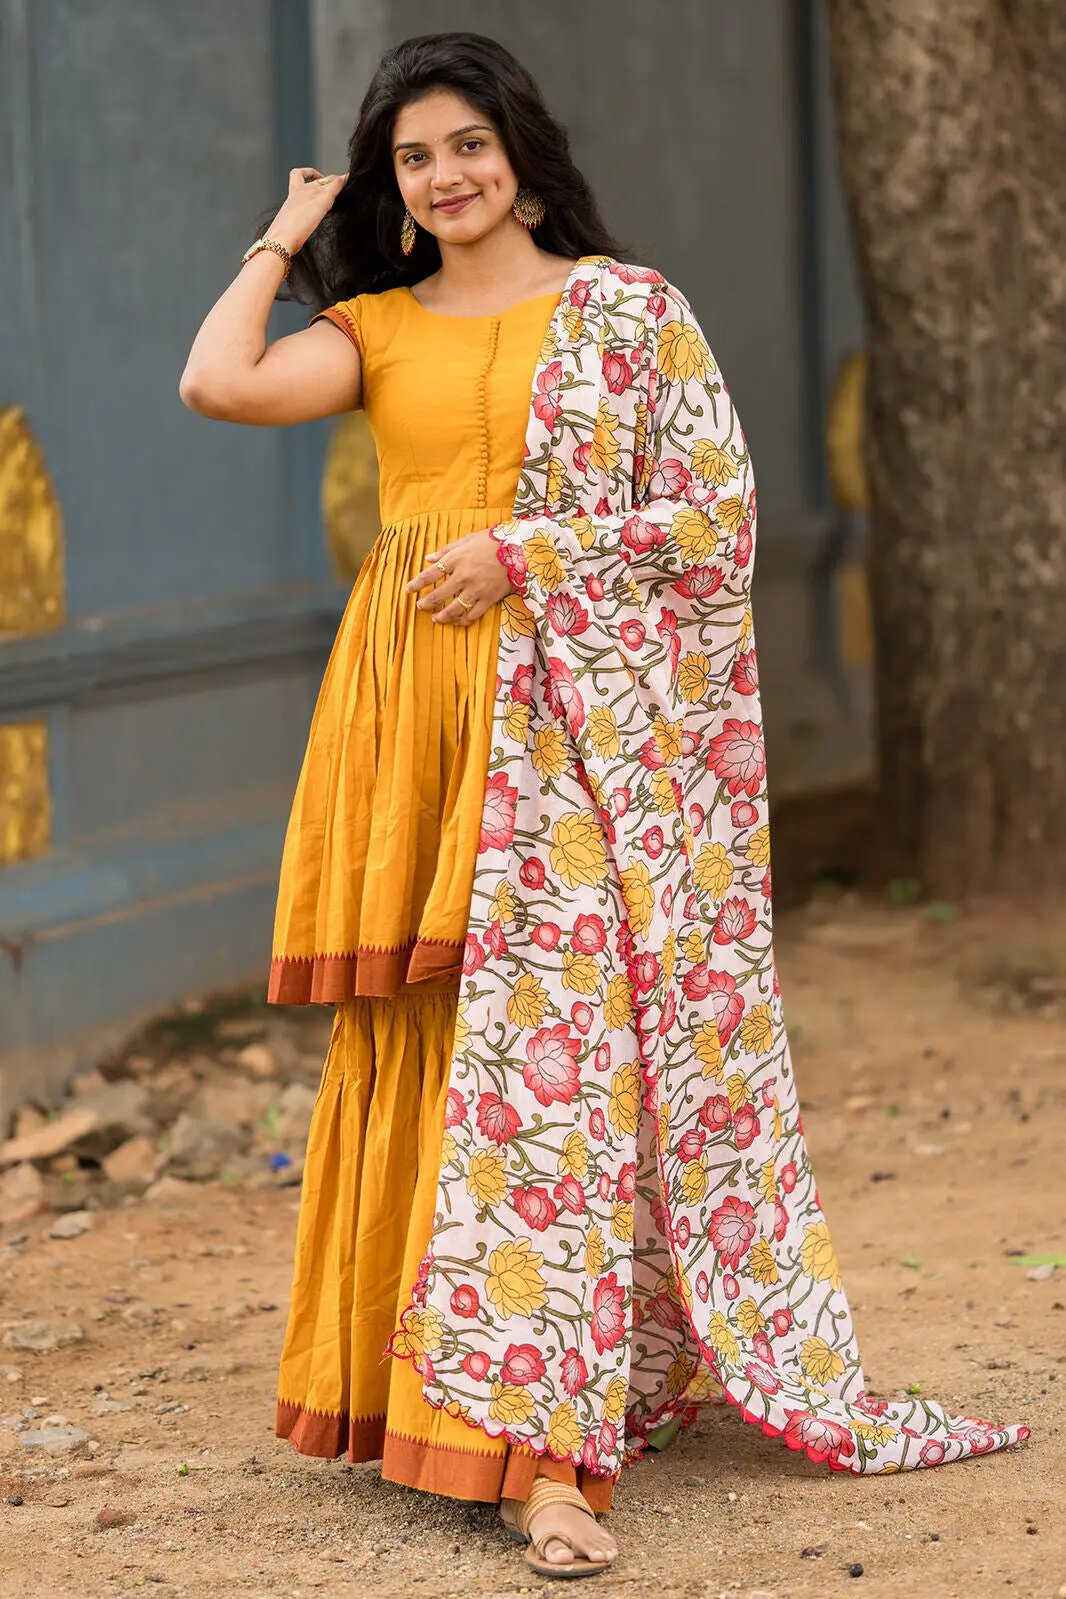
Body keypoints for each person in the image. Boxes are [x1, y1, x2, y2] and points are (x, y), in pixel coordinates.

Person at [180, 29, 1029, 1585]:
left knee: (550, 1067)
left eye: (466, 145)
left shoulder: (625, 312)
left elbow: (717, 515)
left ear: (520, 147)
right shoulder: (371, 325)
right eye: (412, 158)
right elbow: (217, 380)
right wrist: (285, 235)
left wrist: (531, 556)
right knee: (427, 1045)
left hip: (576, 738)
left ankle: (543, 1458)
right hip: (413, 720)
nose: (443, 177)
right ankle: (416, 1399)